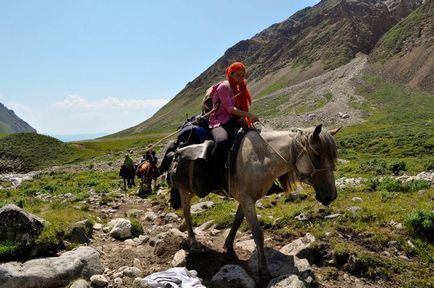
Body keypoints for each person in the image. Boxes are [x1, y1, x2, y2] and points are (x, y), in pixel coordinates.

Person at [208, 61, 259, 188]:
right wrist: (248, 115)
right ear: (230, 74)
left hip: (233, 121)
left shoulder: (237, 87)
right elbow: (229, 109)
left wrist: (242, 118)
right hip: (219, 122)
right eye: (238, 76)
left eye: (243, 76)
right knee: (221, 141)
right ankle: (213, 177)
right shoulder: (224, 87)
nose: (241, 79)